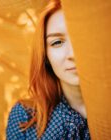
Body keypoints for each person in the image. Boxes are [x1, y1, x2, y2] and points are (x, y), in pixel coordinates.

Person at [6, 0, 90, 139]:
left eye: (82, 39)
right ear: (46, 57)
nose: (73, 55)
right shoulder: (25, 116)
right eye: (57, 42)